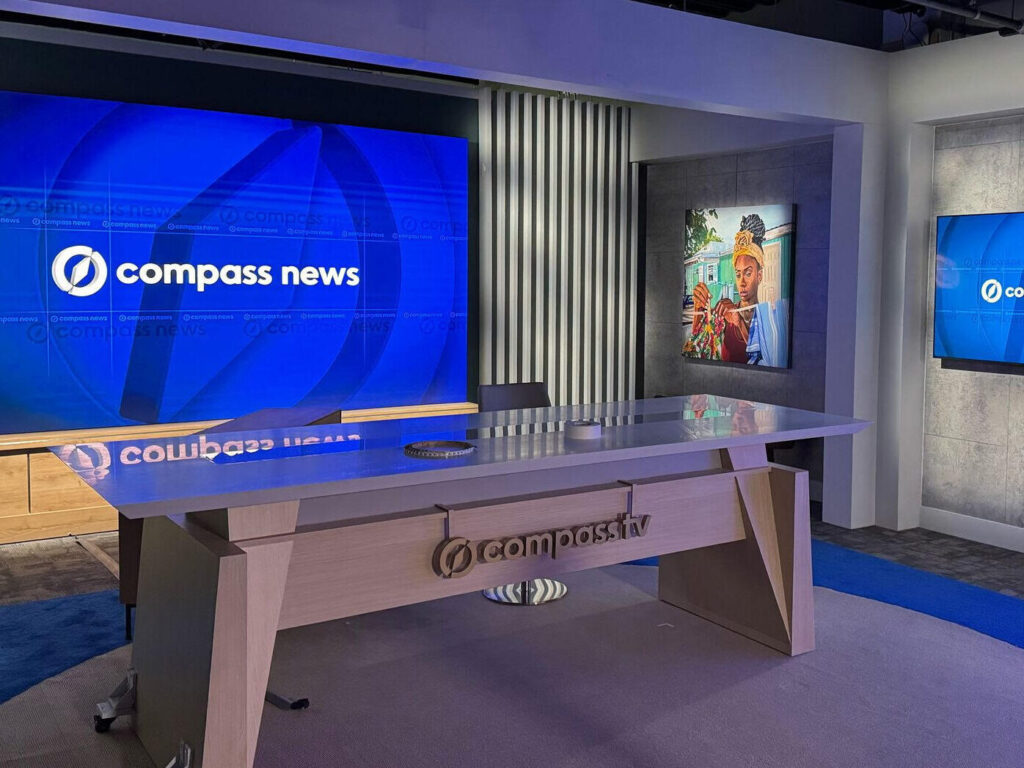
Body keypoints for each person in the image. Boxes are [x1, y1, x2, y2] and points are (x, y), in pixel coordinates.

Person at [691, 214, 789, 367]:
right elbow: (696, 346)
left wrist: (739, 322)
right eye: (738, 274)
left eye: (748, 273)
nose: (742, 282)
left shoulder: (769, 319)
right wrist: (698, 307)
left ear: (759, 276)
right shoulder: (725, 314)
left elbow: (768, 359)